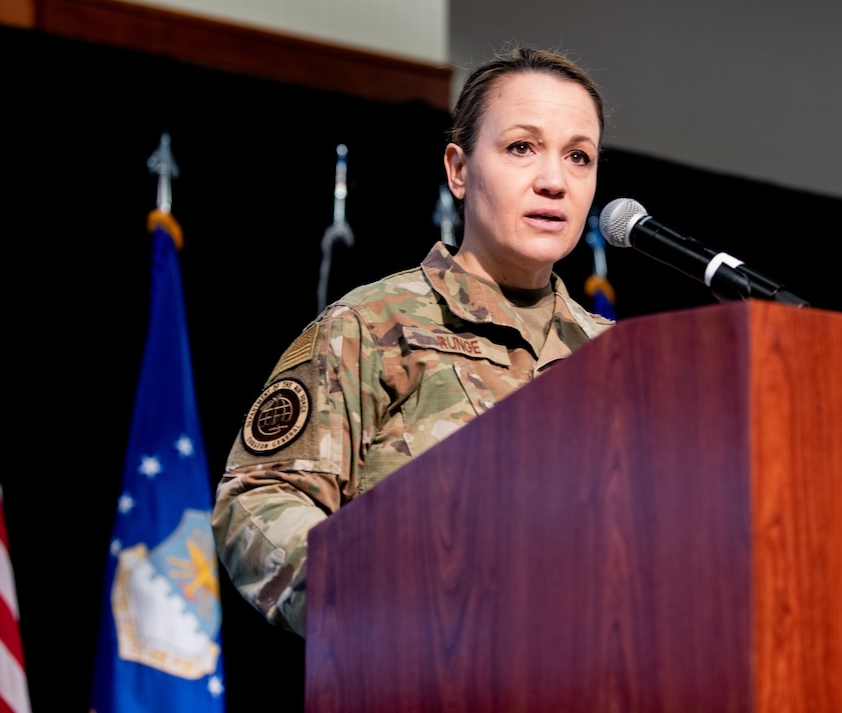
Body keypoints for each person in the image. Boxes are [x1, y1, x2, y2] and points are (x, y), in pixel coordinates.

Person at [212, 46, 615, 637]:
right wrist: (374, 601)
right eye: (521, 148)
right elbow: (258, 497)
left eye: (579, 156)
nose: (554, 181)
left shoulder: (620, 359)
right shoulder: (373, 325)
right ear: (458, 169)